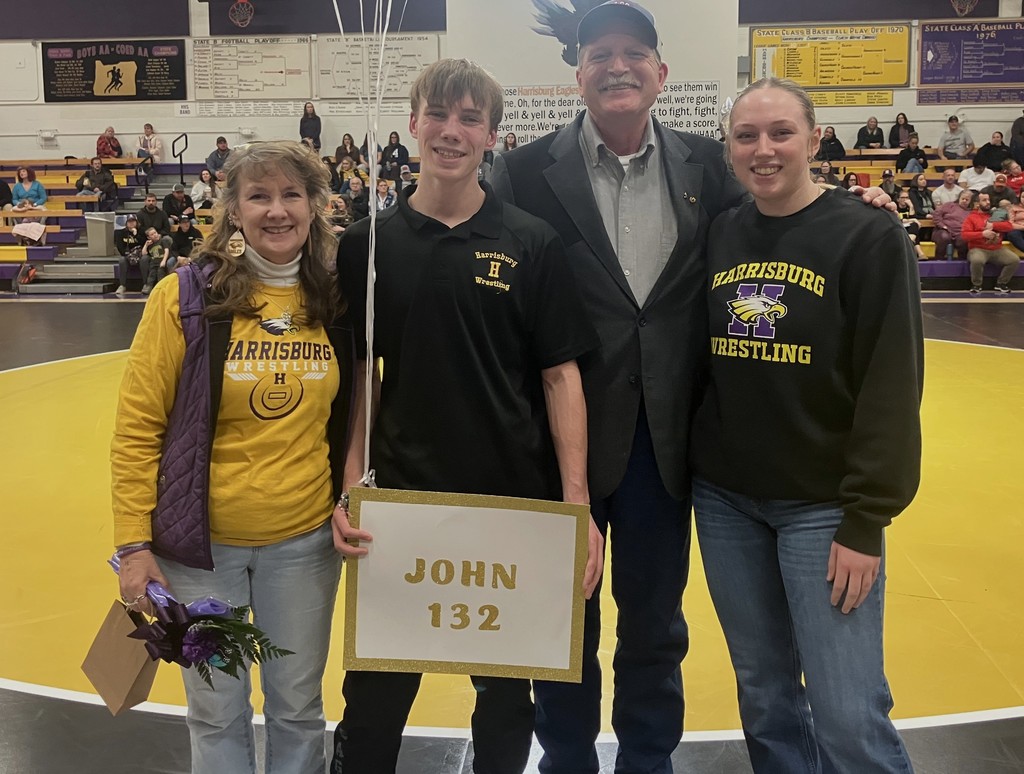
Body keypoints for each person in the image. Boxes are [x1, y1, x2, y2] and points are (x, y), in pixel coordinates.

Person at [491, 5, 895, 772]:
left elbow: (785, 209)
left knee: (653, 629)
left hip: (669, 444)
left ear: (660, 73)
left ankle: (648, 763)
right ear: (576, 74)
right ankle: (567, 763)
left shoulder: (712, 165)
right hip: (557, 444)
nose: (618, 65)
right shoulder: (521, 171)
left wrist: (851, 200)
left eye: (634, 53)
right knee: (557, 628)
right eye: (600, 53)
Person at [330, 57, 602, 774]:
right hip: (402, 506)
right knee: (376, 698)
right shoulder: (366, 246)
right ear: (413, 124)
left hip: (513, 501)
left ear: (492, 137)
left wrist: (577, 507)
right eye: (439, 115)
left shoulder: (530, 241)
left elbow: (560, 375)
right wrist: (352, 481)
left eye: (470, 119)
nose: (452, 132)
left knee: (508, 699)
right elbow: (361, 375)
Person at [691, 76, 922, 774]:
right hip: (726, 501)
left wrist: (865, 519)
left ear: (815, 139)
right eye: (747, 136)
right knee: (764, 698)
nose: (764, 150)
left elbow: (891, 384)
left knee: (848, 713)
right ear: (729, 149)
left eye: (781, 132)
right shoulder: (720, 232)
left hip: (823, 510)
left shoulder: (867, 233)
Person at [111, 141, 353, 774]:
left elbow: (361, 409)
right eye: (259, 196)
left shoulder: (336, 298)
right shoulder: (183, 296)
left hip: (303, 546)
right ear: (233, 210)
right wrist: (135, 546)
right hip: (199, 556)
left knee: (298, 707)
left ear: (315, 207)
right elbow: (139, 427)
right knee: (216, 710)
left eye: (291, 195)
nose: (277, 211)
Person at [962, 191, 1020, 294]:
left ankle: (1001, 283)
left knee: (1014, 260)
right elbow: (965, 235)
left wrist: (994, 226)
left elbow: (1009, 226)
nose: (988, 202)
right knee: (977, 260)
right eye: (984, 200)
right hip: (978, 248)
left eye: (988, 200)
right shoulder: (971, 217)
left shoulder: (997, 214)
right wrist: (982, 234)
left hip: (996, 248)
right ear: (977, 204)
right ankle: (977, 285)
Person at [932, 188, 975, 260]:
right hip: (944, 230)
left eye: (967, 200)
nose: (964, 201)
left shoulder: (971, 212)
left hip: (960, 233)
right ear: (959, 198)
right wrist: (942, 225)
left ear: (970, 201)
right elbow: (936, 214)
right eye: (963, 199)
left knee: (965, 239)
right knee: (944, 237)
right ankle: (938, 260)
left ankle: (962, 261)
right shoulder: (949, 205)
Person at [114, 214, 149, 296]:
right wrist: (128, 255)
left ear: (137, 222)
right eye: (129, 221)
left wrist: (136, 234)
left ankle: (146, 284)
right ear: (126, 223)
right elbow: (120, 247)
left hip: (141, 254)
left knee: (145, 259)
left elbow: (144, 243)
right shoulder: (121, 233)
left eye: (133, 221)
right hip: (128, 255)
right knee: (122, 260)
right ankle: (122, 285)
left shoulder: (142, 231)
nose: (131, 223)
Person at [896, 189, 928, 259]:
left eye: (907, 197)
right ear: (898, 199)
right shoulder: (895, 208)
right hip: (899, 229)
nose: (905, 199)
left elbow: (913, 218)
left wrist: (911, 206)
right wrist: (912, 220)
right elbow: (898, 221)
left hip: (909, 230)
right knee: (914, 227)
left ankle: (911, 240)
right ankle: (920, 253)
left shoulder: (910, 208)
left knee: (914, 225)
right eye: (902, 198)